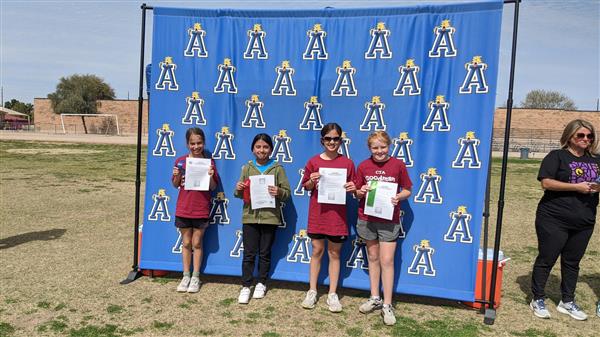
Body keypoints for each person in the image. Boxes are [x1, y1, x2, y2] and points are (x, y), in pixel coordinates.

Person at [529, 119, 599, 321]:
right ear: (570, 136)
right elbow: (546, 183)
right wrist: (576, 187)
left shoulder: (596, 160)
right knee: (547, 258)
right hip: (554, 217)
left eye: (590, 136)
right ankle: (538, 298)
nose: (586, 139)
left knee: (572, 262)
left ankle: (567, 301)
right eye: (581, 135)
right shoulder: (557, 156)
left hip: (585, 219)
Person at [354, 131, 412, 326]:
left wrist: (399, 196)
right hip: (367, 217)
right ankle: (374, 297)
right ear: (369, 148)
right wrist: (360, 191)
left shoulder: (398, 165)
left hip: (389, 219)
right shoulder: (363, 166)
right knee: (372, 258)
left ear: (389, 146)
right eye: (375, 148)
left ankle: (387, 304)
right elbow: (357, 192)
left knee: (387, 260)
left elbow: (408, 189)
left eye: (382, 147)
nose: (379, 151)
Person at [300, 123, 357, 312]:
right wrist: (311, 181)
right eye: (328, 138)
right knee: (316, 251)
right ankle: (312, 290)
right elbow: (305, 186)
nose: (332, 142)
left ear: (341, 140)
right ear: (322, 140)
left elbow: (355, 189)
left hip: (338, 217)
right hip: (318, 214)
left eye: (335, 138)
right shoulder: (313, 161)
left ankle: (332, 294)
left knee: (334, 253)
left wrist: (352, 188)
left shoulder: (347, 163)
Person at [234, 133, 291, 304]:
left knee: (265, 253)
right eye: (258, 147)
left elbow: (287, 193)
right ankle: (246, 285)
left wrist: (279, 192)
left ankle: (261, 282)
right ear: (253, 149)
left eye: (265, 147)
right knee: (249, 253)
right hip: (250, 217)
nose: (262, 150)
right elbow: (239, 194)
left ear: (271, 149)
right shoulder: (247, 168)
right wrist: (238, 188)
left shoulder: (278, 168)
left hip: (269, 218)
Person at [172, 127, 219, 293]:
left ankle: (196, 277)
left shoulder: (209, 163)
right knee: (186, 242)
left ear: (203, 143)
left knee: (197, 243)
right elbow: (175, 184)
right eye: (192, 143)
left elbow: (213, 187)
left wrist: (211, 175)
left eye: (199, 143)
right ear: (187, 144)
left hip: (201, 209)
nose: (196, 146)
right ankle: (185, 275)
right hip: (184, 208)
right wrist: (177, 175)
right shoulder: (180, 161)